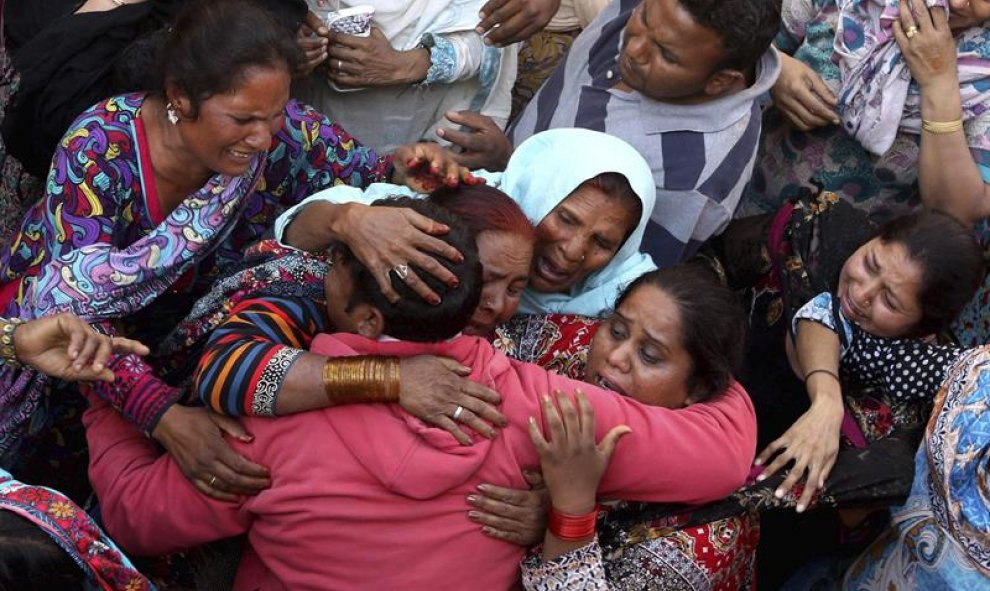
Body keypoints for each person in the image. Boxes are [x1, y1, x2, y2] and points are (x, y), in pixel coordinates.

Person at [85, 197, 757, 590]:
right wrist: (724, 386)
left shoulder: (265, 428)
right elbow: (723, 454)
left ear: (369, 320)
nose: (323, 281)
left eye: (336, 276)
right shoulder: (535, 407)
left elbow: (133, 516)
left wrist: (103, 403)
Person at [0, 0, 471, 497]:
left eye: (273, 116)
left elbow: (364, 173)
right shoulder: (99, 148)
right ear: (181, 98)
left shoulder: (283, 133)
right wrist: (161, 416)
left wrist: (408, 171)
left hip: (178, 356)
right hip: (62, 351)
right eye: (242, 118)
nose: (263, 138)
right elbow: (79, 313)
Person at [174, 189, 532, 452]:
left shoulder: (358, 298)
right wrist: (389, 378)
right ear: (367, 324)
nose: (495, 303)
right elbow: (222, 371)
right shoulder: (298, 296)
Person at [437, 0, 782, 267]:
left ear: (720, 81)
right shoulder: (671, 15)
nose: (633, 49)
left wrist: (514, 165)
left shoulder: (691, 181)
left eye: (665, 55)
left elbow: (587, 275)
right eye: (642, 18)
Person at [738, 0, 990, 345]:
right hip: (742, 203)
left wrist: (939, 82)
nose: (962, 3)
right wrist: (775, 68)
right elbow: (732, 36)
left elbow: (954, 209)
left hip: (851, 276)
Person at [277, 128, 657, 317]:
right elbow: (294, 233)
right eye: (566, 219)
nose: (574, 251)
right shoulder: (464, 205)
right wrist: (349, 222)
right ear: (535, 192)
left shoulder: (621, 294)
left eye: (603, 243)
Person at [755, 210, 984, 510]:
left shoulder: (910, 360)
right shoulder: (816, 227)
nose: (861, 293)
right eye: (870, 264)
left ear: (921, 327)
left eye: (889, 301)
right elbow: (822, 315)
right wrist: (827, 402)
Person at [293, 0, 517, 152]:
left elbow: (494, 31)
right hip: (315, 119)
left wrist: (409, 65)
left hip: (429, 126)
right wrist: (289, 38)